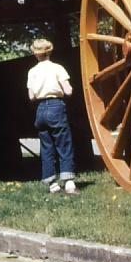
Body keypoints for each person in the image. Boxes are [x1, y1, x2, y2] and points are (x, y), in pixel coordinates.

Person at [27, 38, 78, 194]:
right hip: (56, 106)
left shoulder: (32, 71)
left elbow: (31, 96)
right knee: (64, 144)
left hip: (40, 109)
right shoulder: (58, 68)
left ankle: (52, 185)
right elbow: (68, 90)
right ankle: (69, 183)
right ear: (50, 51)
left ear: (35, 53)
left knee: (46, 147)